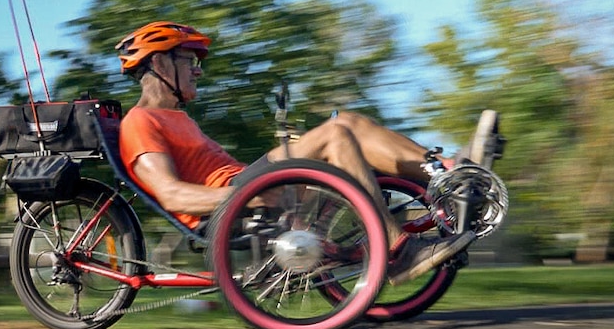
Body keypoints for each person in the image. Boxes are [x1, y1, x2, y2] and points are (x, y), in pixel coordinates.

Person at [115, 21, 499, 285]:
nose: (199, 70)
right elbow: (171, 194)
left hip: (249, 183)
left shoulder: (176, 117)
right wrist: (246, 194)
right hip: (238, 202)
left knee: (348, 123)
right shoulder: (140, 123)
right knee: (334, 135)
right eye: (191, 61)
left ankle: (450, 173)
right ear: (160, 62)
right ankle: (398, 249)